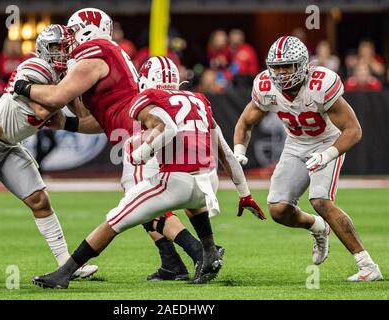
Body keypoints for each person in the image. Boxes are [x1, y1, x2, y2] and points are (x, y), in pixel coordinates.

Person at [14, 8, 263, 282]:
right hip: (132, 129)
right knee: (145, 199)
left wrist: (22, 86)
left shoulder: (96, 52)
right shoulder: (104, 56)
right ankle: (175, 261)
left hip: (140, 132)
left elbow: (57, 97)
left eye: (73, 34)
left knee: (138, 201)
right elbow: (96, 120)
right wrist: (65, 123)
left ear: (87, 31)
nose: (70, 42)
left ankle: (200, 252)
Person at [0, 25, 98, 283]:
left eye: (67, 47)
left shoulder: (63, 77)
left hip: (9, 145)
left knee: (40, 200)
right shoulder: (34, 66)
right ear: (44, 48)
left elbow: (79, 116)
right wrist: (66, 90)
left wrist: (72, 88)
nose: (63, 53)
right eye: (58, 47)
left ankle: (67, 266)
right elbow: (42, 110)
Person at [233, 36, 382, 282]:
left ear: (302, 65)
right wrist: (239, 150)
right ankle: (318, 227)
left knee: (320, 200)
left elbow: (353, 130)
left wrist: (328, 154)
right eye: (276, 67)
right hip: (295, 143)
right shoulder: (266, 87)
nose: (280, 73)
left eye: (287, 66)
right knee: (278, 210)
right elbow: (245, 122)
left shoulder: (320, 84)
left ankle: (367, 265)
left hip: (327, 141)